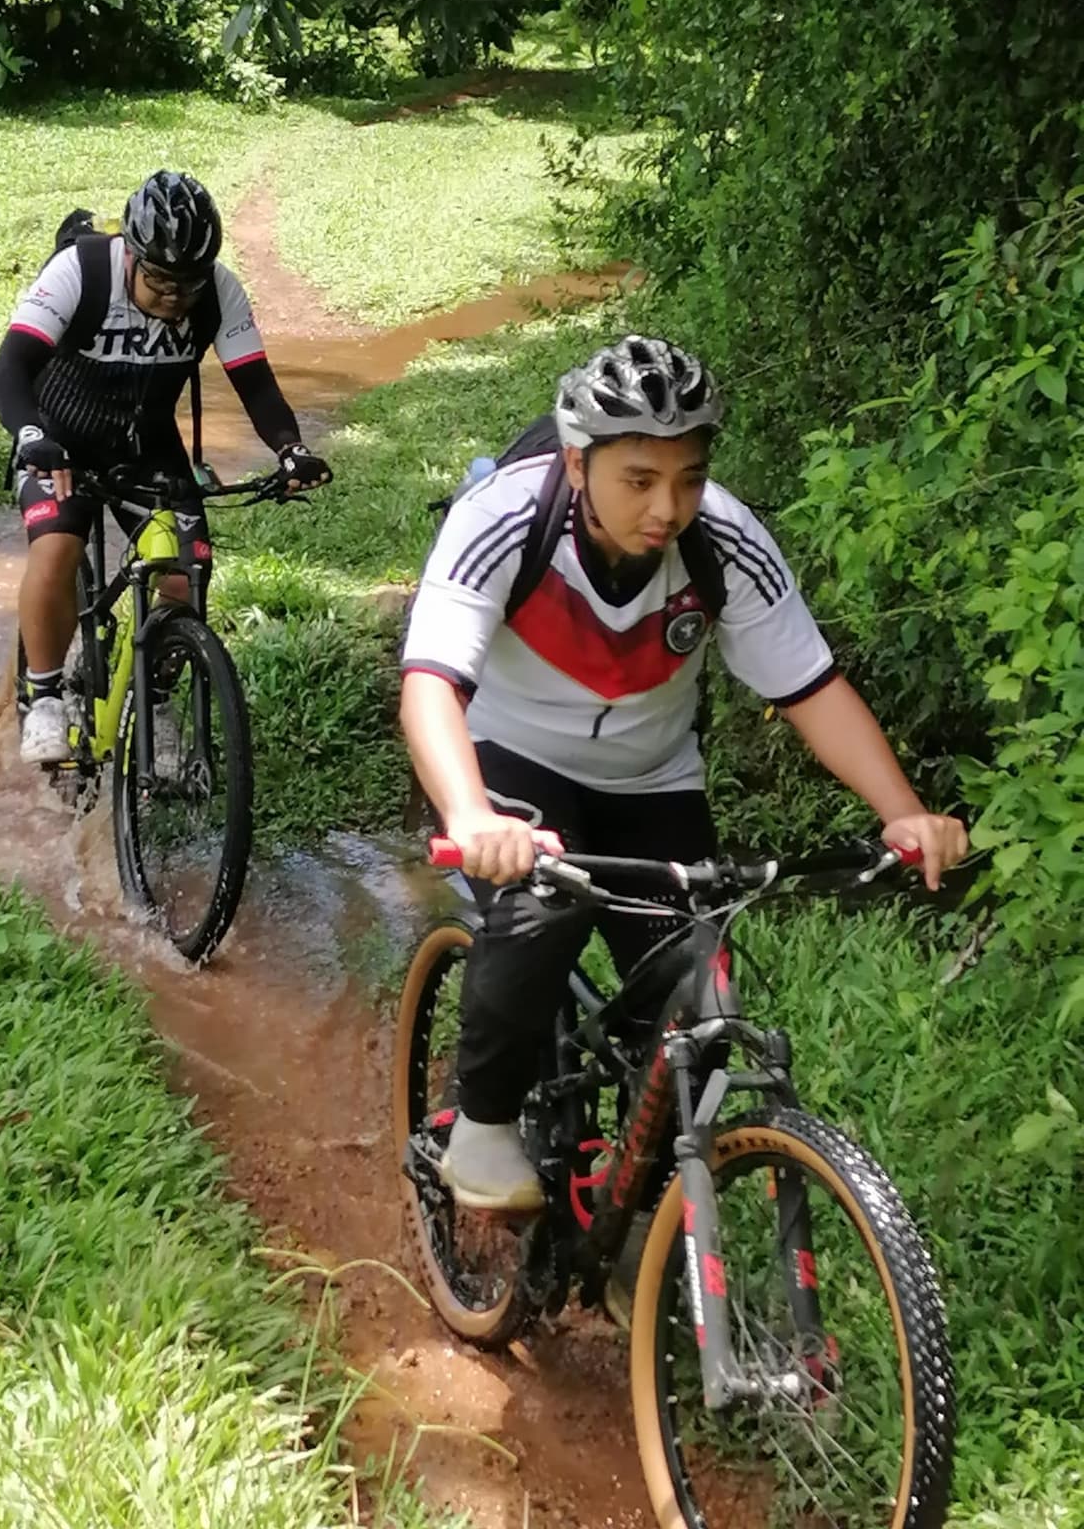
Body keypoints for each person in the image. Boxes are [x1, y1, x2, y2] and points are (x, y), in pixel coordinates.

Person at [400, 335, 969, 1215]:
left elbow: (810, 688)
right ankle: (481, 1121)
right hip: (509, 758)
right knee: (543, 914)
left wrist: (904, 811)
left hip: (650, 777)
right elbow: (431, 682)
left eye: (691, 478)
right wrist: (472, 813)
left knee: (691, 1001)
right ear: (577, 462)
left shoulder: (726, 542)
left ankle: (647, 1216)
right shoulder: (504, 518)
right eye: (640, 480)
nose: (669, 507)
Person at [0, 169, 332, 764]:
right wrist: (32, 434)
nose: (174, 296)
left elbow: (254, 382)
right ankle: (43, 696)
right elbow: (9, 370)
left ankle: (156, 699)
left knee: (185, 575)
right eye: (160, 281)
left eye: (188, 284)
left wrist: (290, 448)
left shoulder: (221, 290)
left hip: (147, 444)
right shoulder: (82, 271)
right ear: (133, 255)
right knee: (56, 546)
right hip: (60, 438)